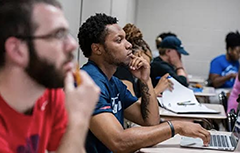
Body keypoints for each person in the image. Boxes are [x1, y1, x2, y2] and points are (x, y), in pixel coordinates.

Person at [78, 13, 210, 153]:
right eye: (119, 40)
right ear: (97, 49)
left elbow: (150, 121)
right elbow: (119, 142)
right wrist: (176, 127)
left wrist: (145, 80)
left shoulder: (113, 82)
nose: (128, 45)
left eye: (126, 39)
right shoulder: (89, 83)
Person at [0, 1, 100, 153]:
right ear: (17, 50)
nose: (72, 44)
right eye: (58, 35)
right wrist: (79, 119)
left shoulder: (49, 94)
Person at [114, 23, 172, 98]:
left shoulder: (136, 76)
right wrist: (156, 90)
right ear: (137, 55)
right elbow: (132, 106)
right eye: (147, 61)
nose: (148, 66)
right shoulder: (122, 71)